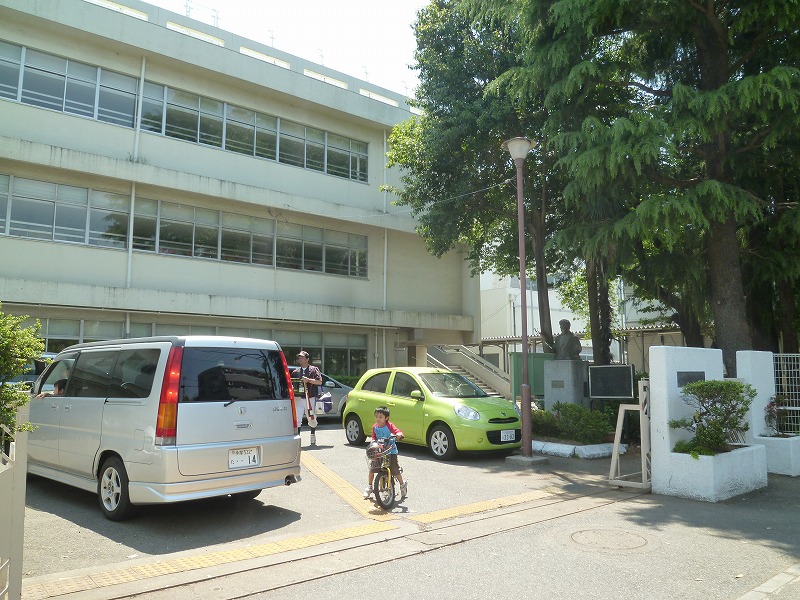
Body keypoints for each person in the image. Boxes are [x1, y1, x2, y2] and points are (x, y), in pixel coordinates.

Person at [364, 406, 407, 501]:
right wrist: (373, 442)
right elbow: (373, 437)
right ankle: (370, 486)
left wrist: (399, 434)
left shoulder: (389, 425)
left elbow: (396, 431)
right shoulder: (375, 427)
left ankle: (402, 484)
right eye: (376, 416)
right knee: (372, 469)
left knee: (395, 469)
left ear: (386, 418)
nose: (378, 419)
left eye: (380, 417)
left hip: (390, 450)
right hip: (378, 452)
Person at [292, 351, 322, 445]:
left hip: (310, 398)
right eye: (299, 357)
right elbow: (291, 383)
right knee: (298, 419)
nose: (300, 359)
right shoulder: (295, 372)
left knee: (312, 418)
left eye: (302, 357)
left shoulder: (314, 370)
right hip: (298, 398)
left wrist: (308, 380)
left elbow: (319, 381)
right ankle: (298, 439)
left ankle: (313, 435)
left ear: (307, 359)